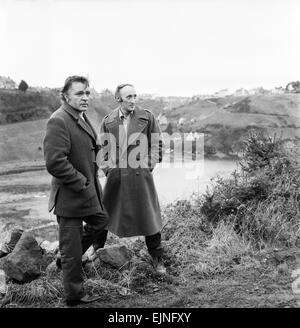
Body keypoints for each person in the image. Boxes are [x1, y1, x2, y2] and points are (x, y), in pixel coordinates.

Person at [43, 76, 109, 306]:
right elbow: (55, 162)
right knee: (72, 249)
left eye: (87, 93)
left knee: (101, 220)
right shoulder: (59, 120)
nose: (85, 97)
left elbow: (88, 150)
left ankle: (65, 258)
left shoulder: (81, 117)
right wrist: (81, 181)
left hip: (88, 192)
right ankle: (75, 295)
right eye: (79, 93)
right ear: (65, 96)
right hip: (71, 196)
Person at [95, 83, 166, 274]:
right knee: (103, 216)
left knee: (149, 217)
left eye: (135, 96)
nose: (133, 100)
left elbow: (157, 145)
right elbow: (102, 149)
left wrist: (146, 166)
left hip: (140, 176)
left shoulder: (147, 117)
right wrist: (110, 170)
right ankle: (96, 254)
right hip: (116, 178)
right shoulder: (108, 121)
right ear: (118, 99)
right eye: (129, 97)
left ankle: (158, 259)